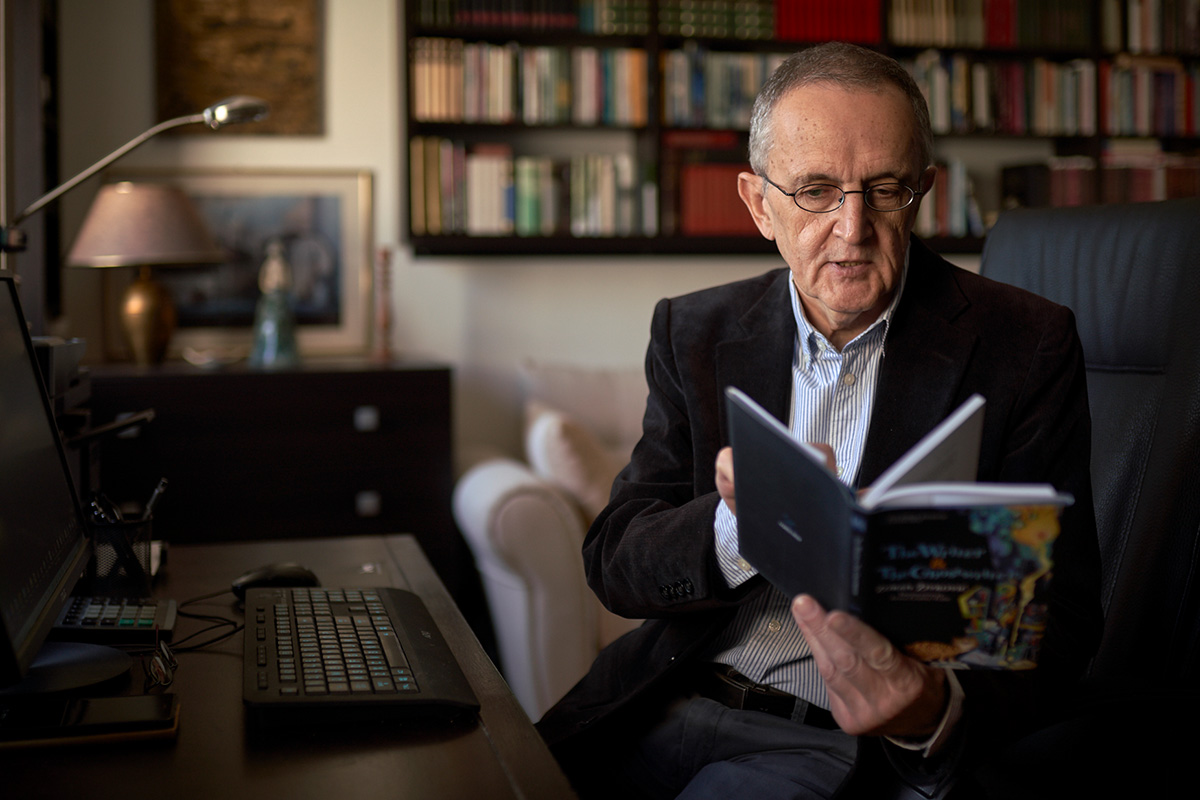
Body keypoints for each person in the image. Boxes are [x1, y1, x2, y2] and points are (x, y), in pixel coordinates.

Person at [536, 42, 1103, 799]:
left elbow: (1062, 617)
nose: (852, 226)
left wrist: (932, 707)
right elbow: (616, 560)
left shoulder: (1024, 345)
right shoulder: (693, 331)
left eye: (885, 189)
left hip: (833, 743)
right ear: (758, 204)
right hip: (659, 702)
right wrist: (744, 523)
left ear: (923, 191)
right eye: (815, 190)